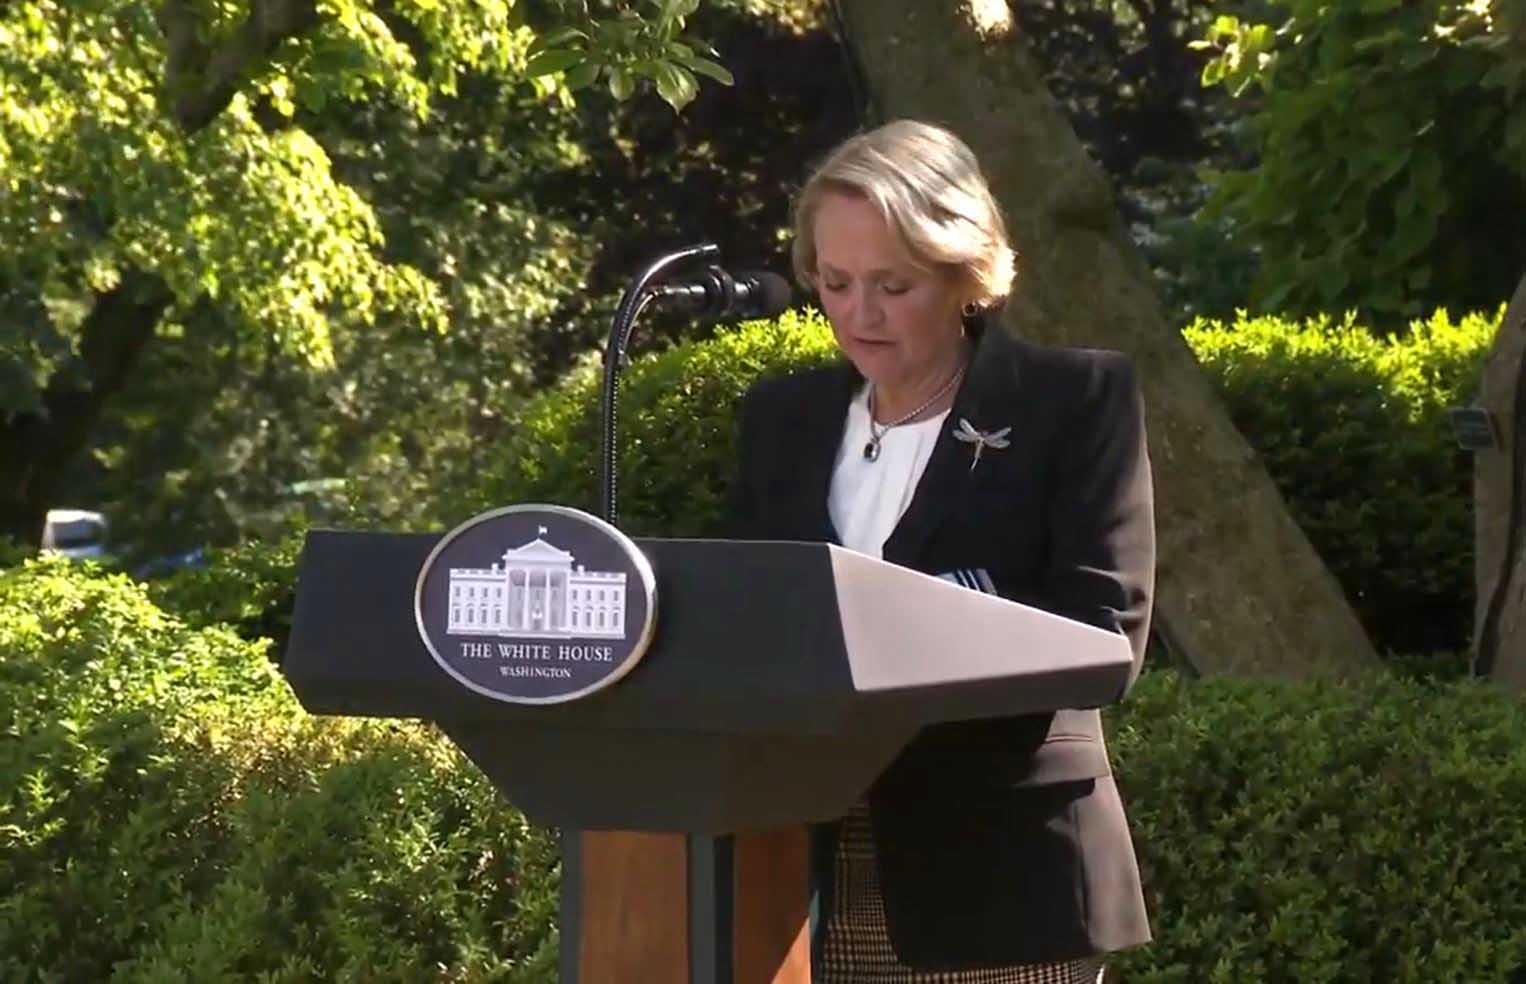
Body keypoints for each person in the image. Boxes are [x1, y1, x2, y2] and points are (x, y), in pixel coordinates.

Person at [730, 120, 1155, 983]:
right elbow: (743, 610)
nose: (858, 314)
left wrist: (914, 628)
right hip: (803, 873)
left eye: (893, 285)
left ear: (965, 273)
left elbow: (1103, 638)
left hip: (1002, 874)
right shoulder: (782, 419)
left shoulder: (1071, 401)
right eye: (835, 282)